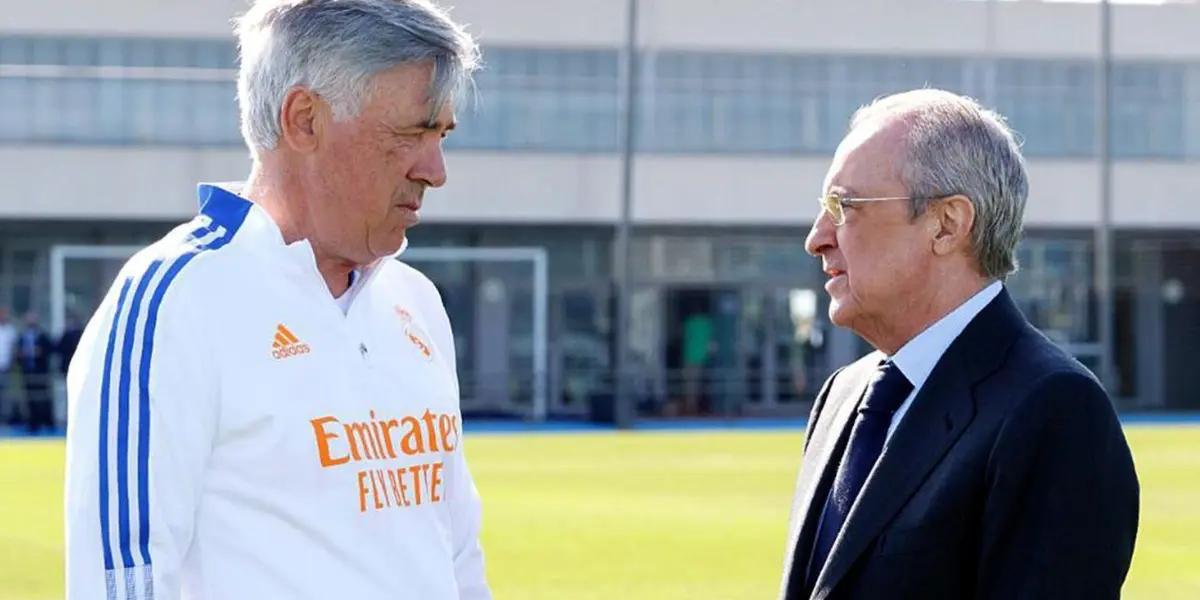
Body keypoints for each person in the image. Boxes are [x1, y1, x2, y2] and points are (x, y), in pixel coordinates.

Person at [64, 1, 488, 598]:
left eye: (441, 134)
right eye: (410, 133)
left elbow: (459, 557)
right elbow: (123, 582)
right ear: (304, 120)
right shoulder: (173, 302)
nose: (435, 169)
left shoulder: (415, 302)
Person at [779, 89, 1139, 599]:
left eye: (844, 206)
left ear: (947, 224)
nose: (816, 237)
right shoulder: (842, 395)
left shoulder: (1054, 409)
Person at [18, 311, 54, 432]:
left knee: (44, 397)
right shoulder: (23, 336)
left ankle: (47, 422)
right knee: (30, 398)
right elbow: (18, 353)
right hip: (28, 371)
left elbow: (50, 349)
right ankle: (33, 424)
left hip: (41, 371)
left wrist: (40, 352)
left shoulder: (42, 336)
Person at [0, 307, 16, 424]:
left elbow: (14, 349)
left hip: (6, 367)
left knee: (5, 395)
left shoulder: (11, 331)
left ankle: (5, 418)